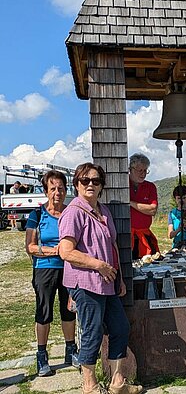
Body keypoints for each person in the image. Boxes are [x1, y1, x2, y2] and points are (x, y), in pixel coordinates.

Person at [59, 163, 142, 394]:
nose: (91, 185)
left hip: (108, 283)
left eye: (96, 181)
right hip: (86, 284)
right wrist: (99, 265)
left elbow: (112, 245)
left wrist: (120, 278)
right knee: (92, 332)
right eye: (85, 181)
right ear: (76, 184)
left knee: (120, 328)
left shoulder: (103, 211)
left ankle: (117, 382)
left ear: (102, 186)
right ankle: (89, 385)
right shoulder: (73, 212)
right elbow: (65, 251)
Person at [25, 170, 77, 377]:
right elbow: (30, 246)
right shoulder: (37, 215)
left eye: (61, 189)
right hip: (45, 267)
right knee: (44, 312)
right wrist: (52, 250)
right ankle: (41, 355)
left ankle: (70, 350)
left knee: (69, 309)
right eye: (53, 188)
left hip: (69, 268)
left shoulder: (70, 212)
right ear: (46, 191)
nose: (58, 192)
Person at [129, 153, 159, 259]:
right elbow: (149, 208)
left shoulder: (150, 186)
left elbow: (152, 210)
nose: (143, 174)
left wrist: (130, 203)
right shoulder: (123, 185)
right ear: (130, 169)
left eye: (145, 170)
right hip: (128, 237)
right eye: (139, 170)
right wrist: (142, 207)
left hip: (145, 236)